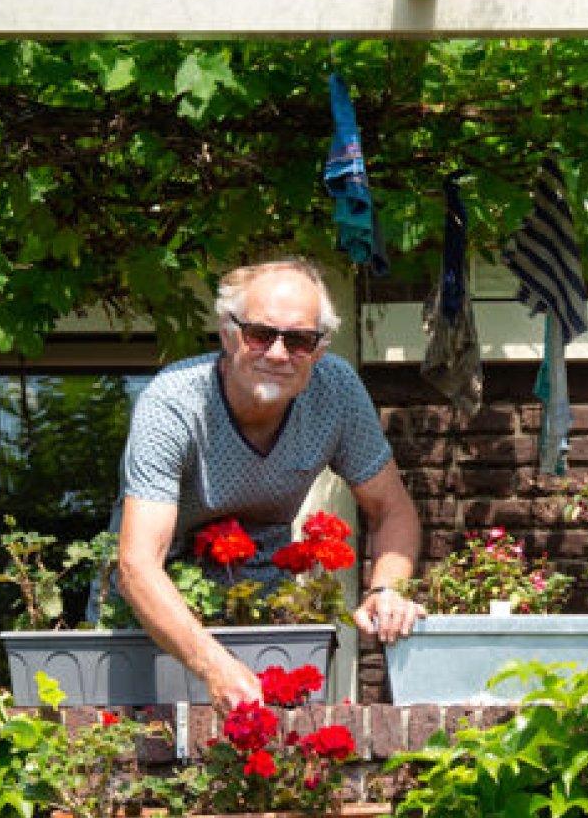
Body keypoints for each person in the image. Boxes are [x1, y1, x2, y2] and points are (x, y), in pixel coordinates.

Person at [113, 259, 426, 711]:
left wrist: (386, 590)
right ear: (227, 332)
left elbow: (391, 509)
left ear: (318, 350)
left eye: (299, 340)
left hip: (266, 607)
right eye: (260, 334)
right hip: (157, 611)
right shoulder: (173, 402)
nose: (278, 354)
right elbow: (138, 565)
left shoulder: (336, 390)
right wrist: (214, 666)